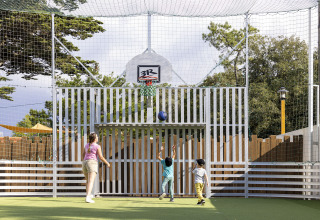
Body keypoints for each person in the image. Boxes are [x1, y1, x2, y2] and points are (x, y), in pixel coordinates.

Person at [82, 132, 111, 203]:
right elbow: (100, 157)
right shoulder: (97, 146)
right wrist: (107, 163)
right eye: (97, 137)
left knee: (88, 181)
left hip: (85, 163)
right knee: (91, 181)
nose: (98, 138)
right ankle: (88, 197)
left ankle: (88, 195)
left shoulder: (86, 145)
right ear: (95, 139)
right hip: (92, 163)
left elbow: (83, 155)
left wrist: (85, 161)